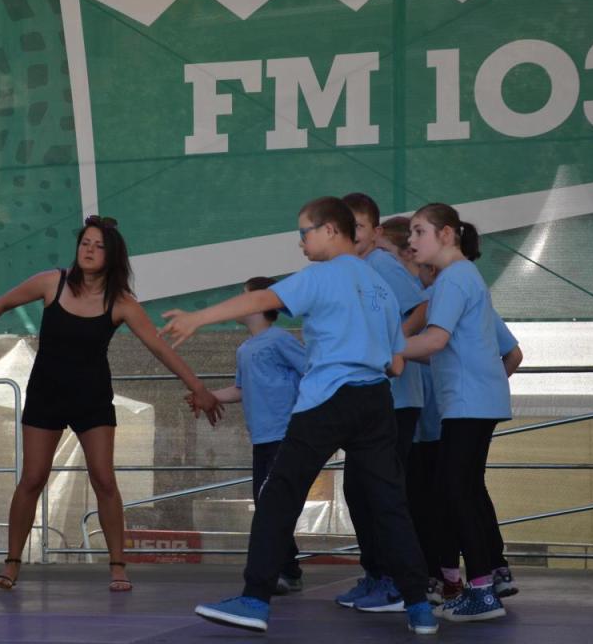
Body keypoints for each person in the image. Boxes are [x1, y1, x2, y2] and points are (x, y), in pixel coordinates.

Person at [164, 196, 438, 636]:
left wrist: (198, 317)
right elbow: (397, 363)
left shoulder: (322, 276)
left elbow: (262, 297)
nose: (301, 243)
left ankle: (255, 599)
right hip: (375, 402)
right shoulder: (381, 288)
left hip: (327, 400)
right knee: (390, 504)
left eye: (304, 233)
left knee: (279, 494)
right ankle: (419, 608)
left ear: (330, 230)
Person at [0, 215, 223, 593]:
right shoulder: (51, 282)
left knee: (104, 479)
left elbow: (159, 348)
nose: (89, 250)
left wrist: (198, 387)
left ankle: (118, 566)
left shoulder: (121, 303)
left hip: (92, 399)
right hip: (46, 394)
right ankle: (11, 564)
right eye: (85, 243)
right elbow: (2, 303)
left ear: (112, 256)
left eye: (98, 246)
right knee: (32, 478)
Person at [402, 202, 511, 622]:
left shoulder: (451, 280)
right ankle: (482, 584)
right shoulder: (464, 277)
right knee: (461, 490)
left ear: (446, 234)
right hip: (472, 400)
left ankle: (481, 590)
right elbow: (440, 350)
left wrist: (382, 350)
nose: (411, 241)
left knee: (456, 492)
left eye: (419, 232)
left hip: (468, 402)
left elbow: (435, 340)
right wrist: (399, 354)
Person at [336, 193, 429, 612]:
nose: (351, 234)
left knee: (380, 491)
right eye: (344, 226)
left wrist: (395, 346)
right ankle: (376, 573)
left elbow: (422, 307)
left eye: (357, 226)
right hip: (365, 399)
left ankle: (396, 581)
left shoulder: (381, 264)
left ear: (375, 232)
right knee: (357, 490)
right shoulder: (348, 270)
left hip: (396, 400)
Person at [198, 276, 305, 594]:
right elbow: (240, 389)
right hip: (261, 437)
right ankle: (289, 569)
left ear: (261, 304)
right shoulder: (245, 349)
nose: (238, 303)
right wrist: (208, 396)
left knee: (271, 501)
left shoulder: (280, 339)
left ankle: (283, 570)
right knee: (266, 501)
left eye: (244, 297)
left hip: (283, 434)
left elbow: (310, 369)